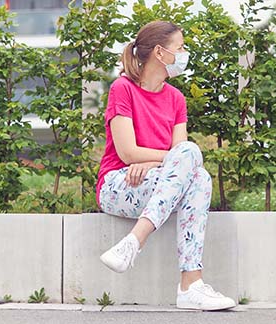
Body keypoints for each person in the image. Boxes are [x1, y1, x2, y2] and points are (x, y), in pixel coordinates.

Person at [95, 20, 236, 311]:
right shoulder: (122, 89)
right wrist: (158, 159)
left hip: (157, 182)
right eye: (180, 48)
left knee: (199, 177)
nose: (184, 54)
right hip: (119, 184)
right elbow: (127, 152)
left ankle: (184, 280)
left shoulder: (176, 98)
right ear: (160, 52)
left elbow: (180, 156)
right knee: (191, 160)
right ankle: (188, 283)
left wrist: (153, 161)